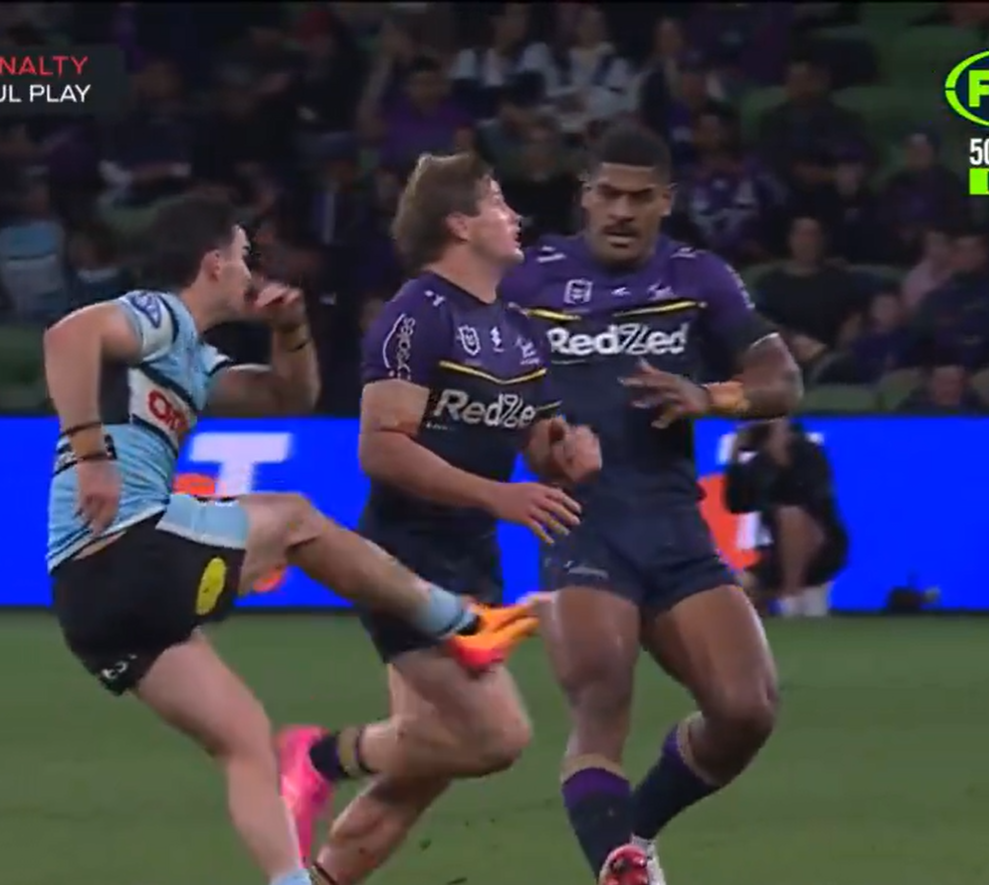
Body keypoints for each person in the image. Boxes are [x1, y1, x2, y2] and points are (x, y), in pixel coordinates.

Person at [42, 193, 540, 885]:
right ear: (213, 264)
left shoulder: (190, 359)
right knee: (296, 518)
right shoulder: (159, 314)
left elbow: (286, 398)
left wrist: (291, 330)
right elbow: (67, 336)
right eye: (243, 256)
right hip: (128, 542)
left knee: (245, 740)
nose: (252, 271)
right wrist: (92, 454)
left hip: (87, 600)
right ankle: (459, 622)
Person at [275, 152, 602, 882]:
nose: (514, 216)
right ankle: (319, 755)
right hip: (405, 558)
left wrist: (569, 456)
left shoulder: (518, 326)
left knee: (421, 768)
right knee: (495, 737)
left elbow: (539, 445)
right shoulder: (415, 315)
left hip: (473, 560)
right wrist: (497, 495)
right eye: (498, 202)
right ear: (459, 223)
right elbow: (380, 448)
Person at [502, 122, 803, 885]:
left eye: (639, 197)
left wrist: (712, 396)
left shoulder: (697, 277)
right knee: (600, 697)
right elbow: (484, 393)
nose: (621, 210)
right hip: (581, 522)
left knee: (746, 710)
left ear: (665, 201)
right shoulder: (527, 281)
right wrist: (539, 441)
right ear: (584, 195)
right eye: (607, 193)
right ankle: (620, 867)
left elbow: (781, 378)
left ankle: (629, 831)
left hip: (673, 525)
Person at [724, 419, 849, 616]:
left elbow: (808, 500)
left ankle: (792, 594)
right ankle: (767, 611)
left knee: (790, 514)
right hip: (779, 554)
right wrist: (734, 461)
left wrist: (782, 457)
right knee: (737, 589)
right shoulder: (760, 465)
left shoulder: (808, 453)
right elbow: (737, 504)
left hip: (820, 550)